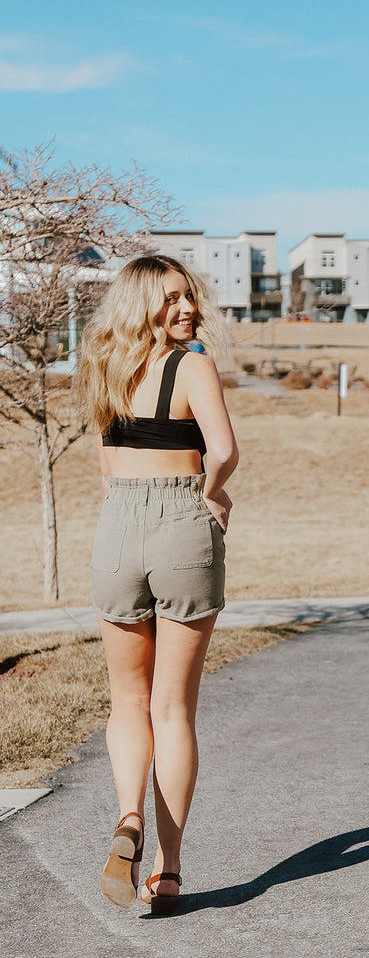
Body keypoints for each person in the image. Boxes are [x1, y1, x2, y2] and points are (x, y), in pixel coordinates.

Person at [75, 255, 238, 915]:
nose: (188, 309)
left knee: (126, 700)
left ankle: (128, 817)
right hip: (179, 518)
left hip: (116, 526)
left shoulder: (102, 368)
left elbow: (105, 460)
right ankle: (167, 871)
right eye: (172, 299)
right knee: (172, 709)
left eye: (190, 297)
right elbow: (224, 449)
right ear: (144, 303)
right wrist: (214, 495)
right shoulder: (192, 365)